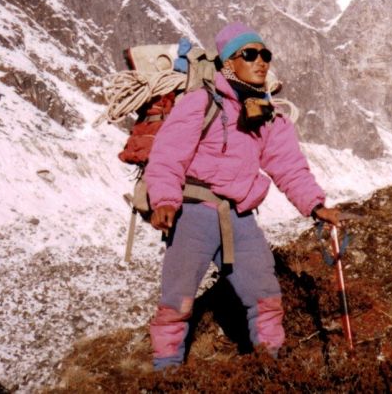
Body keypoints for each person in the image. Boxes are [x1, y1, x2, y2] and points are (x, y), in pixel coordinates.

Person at [144, 22, 340, 370]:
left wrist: (316, 205)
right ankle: (167, 376)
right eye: (250, 54)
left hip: (241, 218)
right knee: (177, 304)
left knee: (266, 299)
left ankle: (271, 372)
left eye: (266, 54)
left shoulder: (267, 116)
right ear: (228, 63)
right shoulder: (200, 103)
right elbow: (168, 155)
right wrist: (164, 200)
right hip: (192, 214)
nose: (261, 61)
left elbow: (289, 167)